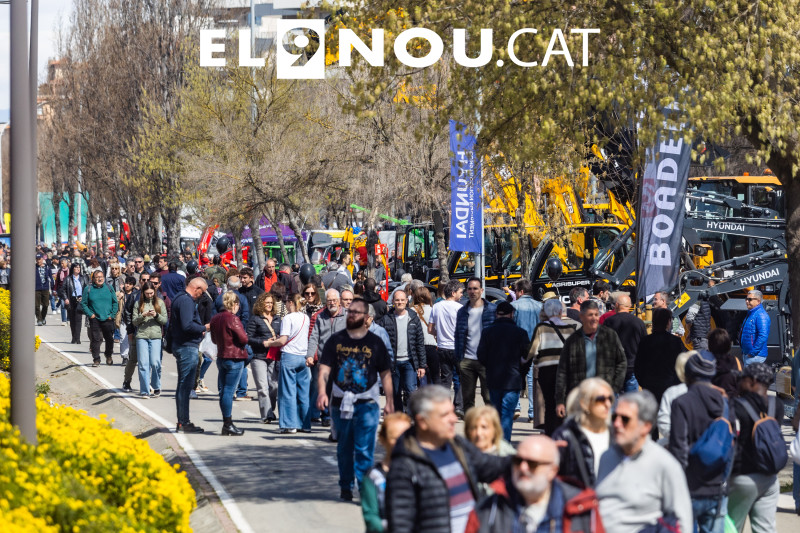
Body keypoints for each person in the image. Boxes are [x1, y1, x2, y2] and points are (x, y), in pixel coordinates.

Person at [387, 385, 510, 533]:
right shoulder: (404, 465)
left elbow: (491, 466)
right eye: (445, 415)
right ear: (422, 421)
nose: (454, 419)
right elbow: (401, 524)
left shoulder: (456, 445)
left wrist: (525, 457)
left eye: (452, 412)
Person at [317, 298, 394, 501]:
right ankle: (346, 487)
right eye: (350, 311)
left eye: (356, 312)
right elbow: (324, 369)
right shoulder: (336, 340)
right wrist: (322, 392)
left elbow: (386, 373)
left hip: (367, 404)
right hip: (340, 403)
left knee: (364, 450)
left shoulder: (375, 342)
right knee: (344, 448)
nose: (351, 315)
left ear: (366, 317)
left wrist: (390, 402)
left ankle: (365, 489)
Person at [595, 390, 693, 533]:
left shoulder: (665, 464)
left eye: (625, 419)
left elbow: (682, 521)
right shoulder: (607, 457)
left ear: (646, 426)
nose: (616, 424)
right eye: (614, 417)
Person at [465, 435, 603, 533]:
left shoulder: (582, 509)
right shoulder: (490, 509)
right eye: (518, 461)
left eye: (532, 464)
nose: (523, 468)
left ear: (552, 471)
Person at [668, 352, 729, 533]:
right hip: (717, 487)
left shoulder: (681, 403)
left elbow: (679, 448)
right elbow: (731, 445)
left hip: (690, 488)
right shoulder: (724, 403)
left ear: (687, 375)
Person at [727, 363, 784, 533]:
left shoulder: (736, 406)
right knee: (765, 529)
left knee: (731, 527)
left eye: (742, 379)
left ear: (752, 381)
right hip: (770, 478)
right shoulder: (776, 405)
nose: (738, 383)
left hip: (743, 477)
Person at [554, 300, 627, 418]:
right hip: (581, 397)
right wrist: (560, 401)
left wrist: (614, 387)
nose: (594, 318)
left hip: (604, 395)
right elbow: (562, 371)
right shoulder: (573, 340)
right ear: (581, 317)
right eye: (590, 315)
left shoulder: (609, 335)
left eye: (596, 314)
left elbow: (622, 362)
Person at [476, 301, 529, 441]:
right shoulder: (520, 333)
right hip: (513, 379)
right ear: (511, 314)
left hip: (494, 378)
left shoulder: (487, 332)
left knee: (497, 413)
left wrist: (490, 365)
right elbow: (527, 356)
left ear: (496, 314)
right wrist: (521, 372)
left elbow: (481, 355)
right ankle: (504, 443)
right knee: (507, 415)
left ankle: (498, 443)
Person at [527, 298, 579, 435]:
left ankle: (551, 433)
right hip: (566, 371)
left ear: (546, 312)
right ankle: (564, 432)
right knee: (564, 401)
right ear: (561, 312)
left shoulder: (541, 328)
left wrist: (523, 360)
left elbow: (533, 350)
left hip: (546, 370)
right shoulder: (570, 329)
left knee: (549, 404)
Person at [552, 378, 613, 488]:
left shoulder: (616, 434)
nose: (607, 404)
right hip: (578, 497)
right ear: (584, 403)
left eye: (610, 399)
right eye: (601, 399)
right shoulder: (565, 436)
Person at [169, 277, 209, 433]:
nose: (202, 295)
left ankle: (183, 421)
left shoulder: (180, 297)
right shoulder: (186, 301)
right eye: (202, 292)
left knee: (184, 385)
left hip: (183, 345)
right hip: (186, 346)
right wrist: (203, 328)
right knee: (185, 385)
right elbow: (187, 325)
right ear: (196, 288)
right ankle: (183, 422)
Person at [267, 293, 311, 433]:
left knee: (287, 391)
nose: (285, 304)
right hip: (303, 356)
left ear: (291, 302)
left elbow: (283, 340)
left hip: (290, 355)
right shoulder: (305, 317)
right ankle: (305, 424)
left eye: (286, 302)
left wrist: (269, 343)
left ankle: (289, 424)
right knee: (303, 392)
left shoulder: (288, 318)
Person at [361, 413, 413, 533]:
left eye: (405, 436)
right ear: (382, 439)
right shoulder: (373, 476)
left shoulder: (419, 471)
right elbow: (371, 518)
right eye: (394, 437)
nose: (400, 441)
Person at [378, 289, 427, 413]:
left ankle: (410, 414)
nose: (400, 302)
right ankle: (399, 415)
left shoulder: (413, 318)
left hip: (409, 361)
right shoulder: (386, 319)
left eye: (402, 300)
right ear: (393, 302)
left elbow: (419, 342)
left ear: (406, 301)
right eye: (397, 300)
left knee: (411, 390)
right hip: (393, 363)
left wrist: (422, 365)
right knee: (395, 392)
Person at [210, 291, 249, 436]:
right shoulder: (233, 318)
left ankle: (227, 423)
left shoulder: (215, 318)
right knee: (228, 391)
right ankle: (227, 424)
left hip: (222, 356)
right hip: (234, 357)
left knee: (224, 391)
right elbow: (244, 339)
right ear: (234, 304)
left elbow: (214, 340)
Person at [307, 288, 347, 427]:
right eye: (329, 300)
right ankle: (326, 416)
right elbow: (314, 337)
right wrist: (310, 355)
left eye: (334, 300)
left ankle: (338, 415)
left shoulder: (347, 316)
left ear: (339, 301)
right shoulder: (320, 317)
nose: (332, 303)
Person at [455, 277, 496, 412]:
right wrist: (459, 359)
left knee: (489, 397)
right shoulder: (462, 311)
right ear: (466, 291)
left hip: (486, 360)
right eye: (470, 289)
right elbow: (458, 335)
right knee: (467, 398)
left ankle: (491, 422)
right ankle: (470, 423)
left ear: (481, 290)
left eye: (475, 288)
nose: (472, 292)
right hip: (467, 360)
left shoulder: (492, 309)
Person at [428, 280, 465, 416]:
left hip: (442, 347)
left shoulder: (436, 306)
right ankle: (459, 406)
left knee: (445, 378)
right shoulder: (460, 308)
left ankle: (445, 406)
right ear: (453, 293)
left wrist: (439, 334)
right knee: (461, 378)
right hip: (457, 347)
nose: (462, 295)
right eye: (460, 292)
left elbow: (430, 329)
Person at [635, 308, 684, 406]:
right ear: (668, 322)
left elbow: (638, 366)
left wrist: (644, 382)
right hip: (670, 385)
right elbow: (682, 365)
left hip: (649, 386)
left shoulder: (645, 341)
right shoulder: (676, 341)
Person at [246, 292, 281, 423]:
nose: (269, 305)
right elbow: (248, 338)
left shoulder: (277, 319)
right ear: (261, 303)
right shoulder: (255, 319)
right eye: (267, 302)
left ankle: (270, 409)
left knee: (274, 386)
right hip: (258, 356)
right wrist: (263, 342)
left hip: (273, 355)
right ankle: (266, 415)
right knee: (262, 387)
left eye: (271, 303)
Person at [511, 279, 543, 422]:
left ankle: (516, 407)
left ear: (521, 291)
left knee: (515, 378)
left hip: (517, 347)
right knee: (533, 380)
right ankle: (533, 412)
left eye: (516, 291)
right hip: (535, 347)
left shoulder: (514, 306)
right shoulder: (540, 306)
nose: (515, 293)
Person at [603, 293, 647, 393]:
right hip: (632, 366)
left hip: (613, 367)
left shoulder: (609, 322)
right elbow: (644, 345)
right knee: (631, 400)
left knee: (613, 399)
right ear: (630, 306)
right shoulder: (638, 322)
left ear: (617, 305)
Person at [131, 281, 167, 399]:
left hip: (156, 336)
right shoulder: (138, 303)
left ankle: (156, 385)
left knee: (155, 362)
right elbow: (134, 321)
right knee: (143, 364)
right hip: (142, 336)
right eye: (147, 293)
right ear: (143, 293)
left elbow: (164, 320)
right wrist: (143, 315)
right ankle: (145, 390)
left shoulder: (160, 303)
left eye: (151, 293)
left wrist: (156, 315)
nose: (150, 295)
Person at [81, 270, 119, 367]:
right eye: (97, 277)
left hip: (108, 318)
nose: (100, 279)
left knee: (109, 339)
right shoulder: (88, 289)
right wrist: (90, 314)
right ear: (93, 279)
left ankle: (108, 355)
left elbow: (115, 302)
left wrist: (112, 315)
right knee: (95, 339)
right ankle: (96, 359)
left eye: (101, 277)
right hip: (95, 319)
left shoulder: (109, 288)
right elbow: (84, 304)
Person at [657, 350, 695, 442]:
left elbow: (663, 422)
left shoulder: (671, 393)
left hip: (675, 442)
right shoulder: (712, 391)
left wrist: (677, 436)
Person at [412, 286, 439, 385]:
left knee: (418, 374)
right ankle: (437, 393)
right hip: (431, 345)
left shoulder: (411, 310)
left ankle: (420, 393)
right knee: (435, 375)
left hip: (416, 346)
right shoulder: (433, 310)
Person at [58, 263, 88, 344]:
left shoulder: (83, 278)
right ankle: (73, 337)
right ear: (73, 268)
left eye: (79, 267)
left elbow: (87, 289)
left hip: (80, 300)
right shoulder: (68, 278)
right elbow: (63, 290)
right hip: (71, 300)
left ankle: (77, 338)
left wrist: (83, 297)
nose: (78, 269)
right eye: (76, 267)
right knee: (72, 319)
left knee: (78, 319)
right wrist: (65, 298)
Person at [739, 289, 770, 366]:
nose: (747, 301)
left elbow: (763, 336)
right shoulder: (752, 313)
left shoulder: (761, 315)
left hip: (755, 357)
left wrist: (752, 353)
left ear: (758, 301)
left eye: (750, 299)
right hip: (750, 355)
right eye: (746, 299)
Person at [709, 328, 740, 399]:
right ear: (728, 344)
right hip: (732, 401)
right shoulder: (737, 361)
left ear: (710, 345)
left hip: (711, 401)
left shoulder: (705, 362)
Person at [35, 253, 54, 326]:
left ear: (42, 259)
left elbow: (50, 277)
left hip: (45, 288)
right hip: (36, 288)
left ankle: (43, 317)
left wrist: (52, 287)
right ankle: (39, 319)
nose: (38, 261)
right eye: (37, 259)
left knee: (46, 305)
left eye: (39, 259)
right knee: (36, 305)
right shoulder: (34, 268)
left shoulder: (47, 268)